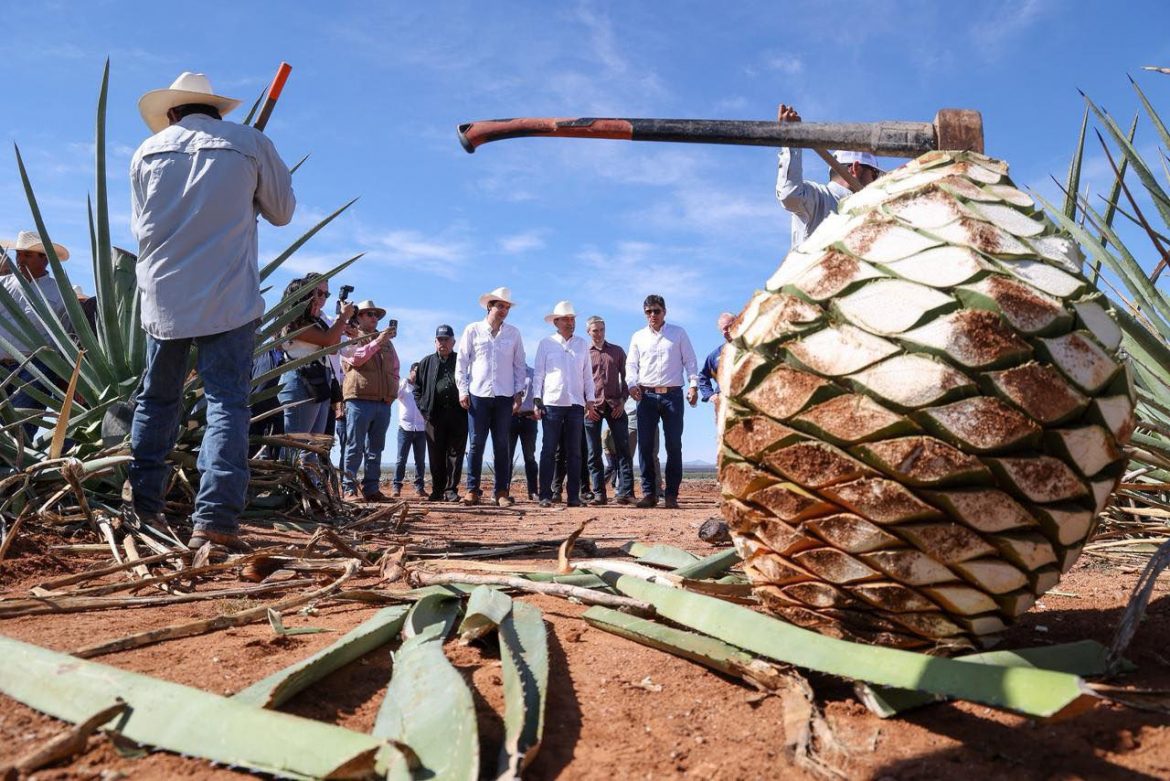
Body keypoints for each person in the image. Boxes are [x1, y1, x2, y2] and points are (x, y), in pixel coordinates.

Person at [128, 71, 296, 551]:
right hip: (228, 295)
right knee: (227, 403)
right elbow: (282, 212)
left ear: (174, 113)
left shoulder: (146, 152)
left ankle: (144, 511)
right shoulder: (250, 142)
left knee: (157, 402)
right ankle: (216, 522)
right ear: (216, 110)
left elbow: (143, 228)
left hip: (163, 296)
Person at [455, 286, 526, 507]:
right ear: (489, 306)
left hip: (504, 396)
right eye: (500, 306)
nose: (504, 310)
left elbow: (519, 365)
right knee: (476, 444)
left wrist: (518, 392)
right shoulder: (472, 330)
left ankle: (501, 492)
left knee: (502, 445)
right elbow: (462, 362)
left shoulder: (514, 333)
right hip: (478, 394)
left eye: (507, 307)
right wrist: (462, 390)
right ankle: (472, 490)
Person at [0, 231, 73, 443]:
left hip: (34, 368)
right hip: (2, 364)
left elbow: (67, 334)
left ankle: (15, 470)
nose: (20, 259)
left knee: (21, 427)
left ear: (45, 258)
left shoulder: (60, 291)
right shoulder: (4, 284)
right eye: (19, 254)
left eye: (27, 255)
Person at [626, 294, 698, 510]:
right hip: (645, 396)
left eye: (656, 311)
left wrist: (693, 385)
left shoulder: (678, 333)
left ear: (664, 311)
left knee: (674, 445)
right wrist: (631, 384)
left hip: (673, 396)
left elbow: (691, 361)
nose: (653, 315)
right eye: (648, 312)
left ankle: (671, 495)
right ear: (644, 314)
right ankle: (649, 493)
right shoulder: (638, 336)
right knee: (646, 447)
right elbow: (631, 365)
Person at [775, 104, 881, 248]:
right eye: (874, 175)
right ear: (855, 169)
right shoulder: (819, 197)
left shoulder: (865, 214)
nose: (875, 182)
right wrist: (790, 140)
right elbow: (790, 195)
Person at [278, 275, 355, 469]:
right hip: (301, 381)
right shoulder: (293, 323)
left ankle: (308, 492)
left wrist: (342, 326)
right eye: (316, 293)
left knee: (312, 448)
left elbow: (334, 346)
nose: (320, 299)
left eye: (324, 294)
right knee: (295, 445)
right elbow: (329, 341)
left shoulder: (317, 321)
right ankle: (286, 491)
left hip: (318, 381)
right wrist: (343, 318)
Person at [533, 301, 594, 508]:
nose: (570, 323)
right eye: (566, 319)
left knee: (575, 452)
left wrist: (590, 399)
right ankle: (545, 495)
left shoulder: (582, 344)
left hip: (576, 404)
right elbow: (538, 374)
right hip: (551, 403)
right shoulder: (546, 343)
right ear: (556, 322)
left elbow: (587, 374)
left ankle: (574, 496)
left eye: (572, 319)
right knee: (549, 450)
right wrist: (536, 399)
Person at [340, 300, 399, 501]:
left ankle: (371, 489)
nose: (374, 318)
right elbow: (355, 358)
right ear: (358, 317)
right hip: (358, 399)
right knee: (355, 446)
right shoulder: (349, 336)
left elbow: (395, 368)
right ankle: (349, 488)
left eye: (376, 314)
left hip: (383, 402)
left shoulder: (387, 342)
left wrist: (392, 392)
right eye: (369, 314)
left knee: (375, 448)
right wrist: (377, 342)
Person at [582, 315, 633, 506]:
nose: (599, 333)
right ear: (588, 332)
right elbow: (578, 380)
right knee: (593, 452)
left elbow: (629, 377)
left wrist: (622, 401)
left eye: (602, 329)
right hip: (592, 408)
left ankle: (625, 493)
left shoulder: (617, 351)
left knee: (623, 450)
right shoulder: (583, 353)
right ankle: (599, 494)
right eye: (595, 330)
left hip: (615, 406)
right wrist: (587, 405)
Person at [415, 325, 465, 502]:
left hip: (458, 414)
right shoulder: (426, 362)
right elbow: (417, 389)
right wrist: (423, 408)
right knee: (436, 454)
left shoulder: (461, 361)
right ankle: (437, 490)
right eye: (440, 339)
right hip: (434, 416)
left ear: (453, 342)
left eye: (446, 339)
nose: (443, 343)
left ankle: (451, 490)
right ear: (435, 341)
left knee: (455, 455)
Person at [393, 362, 428, 499]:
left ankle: (419, 488)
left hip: (420, 427)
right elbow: (396, 394)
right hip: (405, 427)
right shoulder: (404, 386)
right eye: (416, 371)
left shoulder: (423, 388)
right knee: (401, 459)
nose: (418, 375)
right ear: (411, 371)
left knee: (420, 460)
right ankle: (397, 486)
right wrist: (405, 382)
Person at [509, 364, 540, 501]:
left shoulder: (533, 373)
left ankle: (533, 491)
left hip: (529, 419)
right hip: (510, 419)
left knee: (529, 457)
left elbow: (540, 393)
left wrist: (538, 409)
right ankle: (502, 491)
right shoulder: (507, 373)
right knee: (506, 457)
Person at [698, 312, 736, 418]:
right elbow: (702, 377)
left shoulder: (753, 347)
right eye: (723, 329)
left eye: (730, 326)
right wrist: (710, 395)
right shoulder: (715, 356)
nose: (726, 331)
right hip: (725, 405)